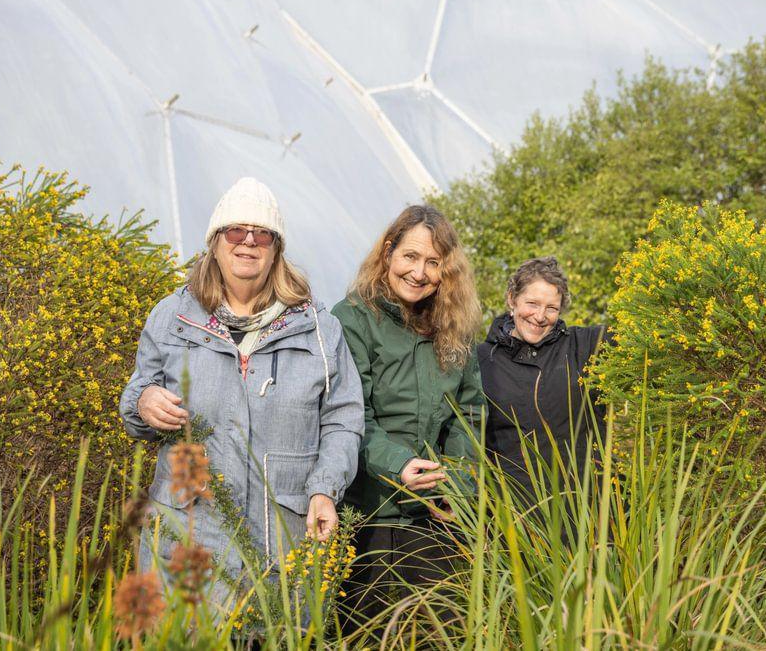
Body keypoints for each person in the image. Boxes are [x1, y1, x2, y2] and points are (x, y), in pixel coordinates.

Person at [119, 177, 364, 610]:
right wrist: (142, 402)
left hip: (283, 537)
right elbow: (139, 393)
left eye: (262, 234)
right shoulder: (172, 316)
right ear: (215, 243)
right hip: (188, 534)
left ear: (276, 249)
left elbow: (343, 418)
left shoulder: (318, 328)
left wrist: (326, 489)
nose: (248, 241)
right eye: (236, 231)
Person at [331, 204, 483, 628]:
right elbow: (351, 415)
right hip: (368, 513)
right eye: (410, 257)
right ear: (388, 253)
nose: (419, 272)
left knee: (443, 631)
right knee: (364, 632)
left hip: (435, 515)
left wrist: (457, 487)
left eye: (433, 262)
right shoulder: (352, 319)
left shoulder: (456, 327)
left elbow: (468, 416)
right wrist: (397, 466)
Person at [478, 256, 609, 498]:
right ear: (512, 299)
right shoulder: (481, 360)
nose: (539, 316)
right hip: (512, 515)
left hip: (583, 511)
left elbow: (643, 335)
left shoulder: (587, 346)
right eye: (532, 303)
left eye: (551, 308)